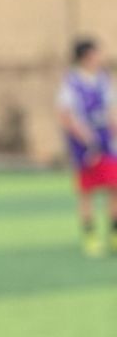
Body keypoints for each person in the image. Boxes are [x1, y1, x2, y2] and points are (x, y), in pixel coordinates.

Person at [56, 37, 117, 257]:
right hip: (85, 146)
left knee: (114, 187)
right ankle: (90, 237)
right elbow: (66, 116)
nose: (100, 57)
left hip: (106, 143)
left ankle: (114, 234)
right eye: (96, 53)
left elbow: (111, 111)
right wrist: (88, 141)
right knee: (86, 192)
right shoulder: (71, 83)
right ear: (86, 56)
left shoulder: (103, 80)